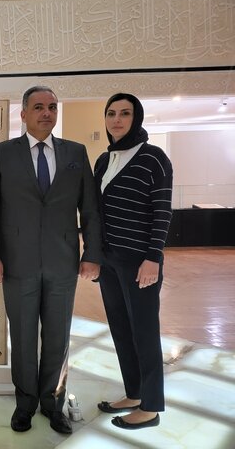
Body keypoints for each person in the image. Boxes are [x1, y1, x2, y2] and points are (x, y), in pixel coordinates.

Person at [0, 85, 103, 435]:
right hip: (17, 263)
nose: (47, 112)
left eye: (52, 107)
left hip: (63, 262)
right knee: (23, 336)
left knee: (58, 337)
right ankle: (25, 404)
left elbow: (90, 209)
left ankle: (53, 403)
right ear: (23, 114)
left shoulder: (76, 152)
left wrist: (92, 254)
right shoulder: (2, 154)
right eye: (38, 107)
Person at [94, 93, 173, 430]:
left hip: (140, 261)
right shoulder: (103, 160)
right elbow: (97, 212)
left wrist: (153, 257)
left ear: (136, 118)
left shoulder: (154, 158)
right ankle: (135, 393)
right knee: (121, 329)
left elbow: (162, 211)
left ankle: (151, 407)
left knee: (144, 331)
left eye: (125, 113)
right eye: (111, 113)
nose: (117, 120)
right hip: (109, 261)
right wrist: (94, 255)